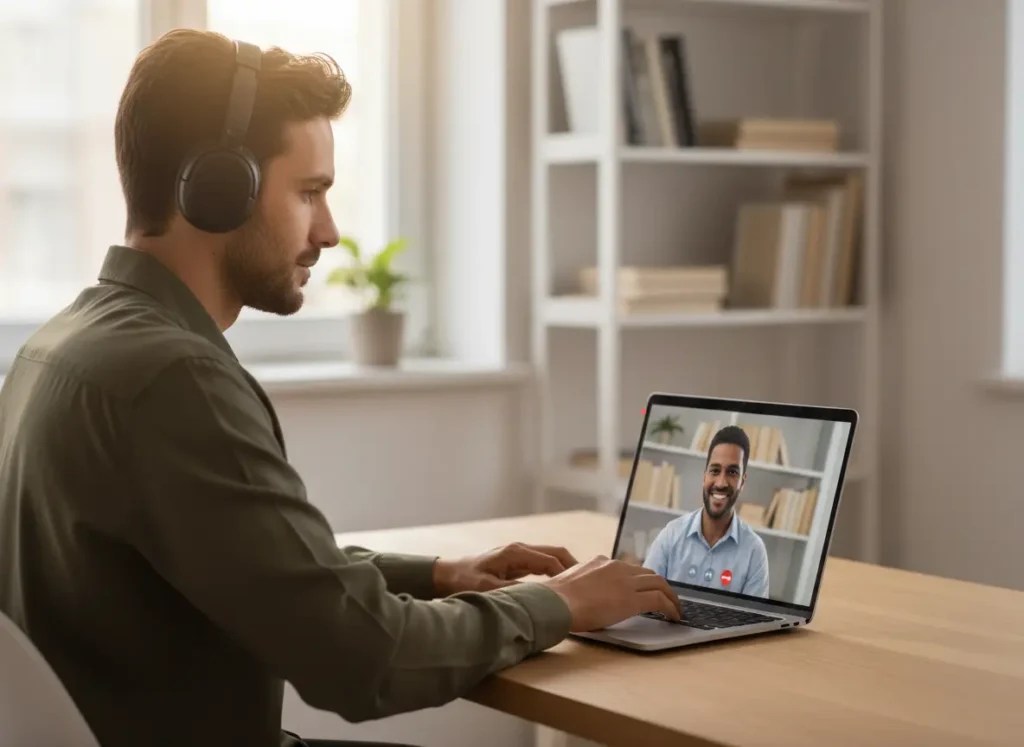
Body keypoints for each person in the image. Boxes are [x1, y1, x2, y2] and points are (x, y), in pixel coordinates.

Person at [0, 29, 682, 747]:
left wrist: (442, 574)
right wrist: (558, 603)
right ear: (219, 189)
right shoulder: (174, 381)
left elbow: (260, 568)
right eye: (309, 193)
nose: (327, 231)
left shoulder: (55, 348)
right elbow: (366, 661)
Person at [642, 425, 770, 599]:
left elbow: (755, 622)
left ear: (742, 481)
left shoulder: (754, 551)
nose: (721, 482)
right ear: (704, 476)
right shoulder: (671, 534)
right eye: (715, 471)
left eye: (732, 472)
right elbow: (643, 599)